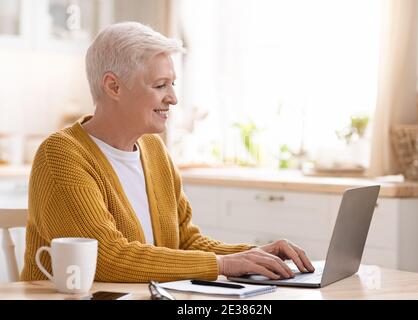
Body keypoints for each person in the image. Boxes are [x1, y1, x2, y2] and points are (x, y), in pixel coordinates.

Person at [21, 22, 314, 283]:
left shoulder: (153, 149)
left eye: (172, 83)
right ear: (114, 86)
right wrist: (223, 264)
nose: (173, 98)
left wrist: (253, 254)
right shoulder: (61, 155)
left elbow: (184, 241)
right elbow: (107, 259)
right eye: (160, 85)